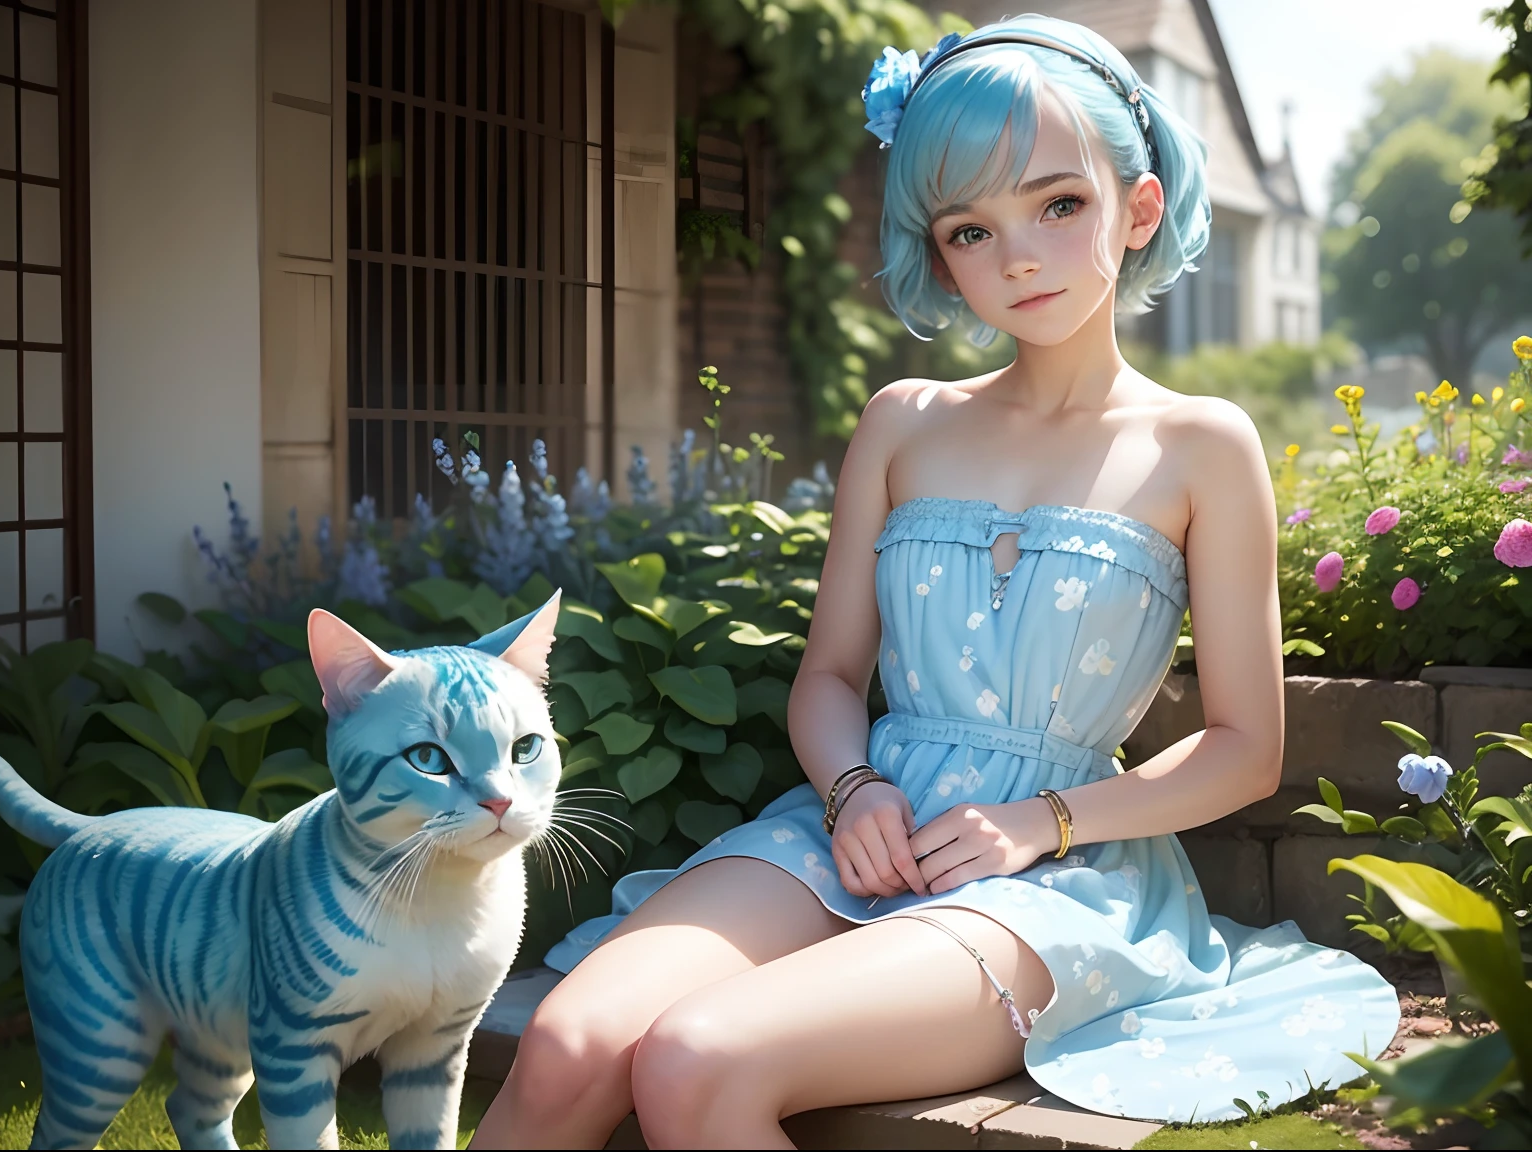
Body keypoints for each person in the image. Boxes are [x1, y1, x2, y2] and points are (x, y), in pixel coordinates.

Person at [472, 14, 1399, 1149]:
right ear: (940, 248)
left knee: (694, 1059)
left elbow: (1246, 747)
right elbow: (828, 677)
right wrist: (853, 788)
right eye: (971, 226)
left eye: (1059, 204)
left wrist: (1040, 824)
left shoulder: (1202, 444)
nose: (1017, 255)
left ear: (1138, 207)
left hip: (1063, 872)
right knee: (572, 1045)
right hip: (858, 827)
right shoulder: (903, 423)